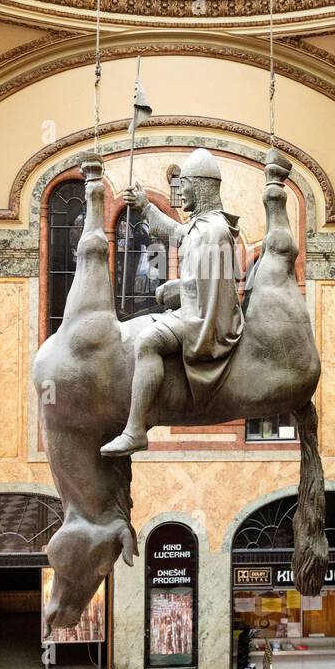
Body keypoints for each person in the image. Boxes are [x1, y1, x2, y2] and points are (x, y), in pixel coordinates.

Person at [101, 148, 244, 456]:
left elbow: (206, 288)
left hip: (208, 319)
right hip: (199, 307)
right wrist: (144, 207)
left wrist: (173, 290)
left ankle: (136, 430)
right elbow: (180, 234)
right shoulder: (205, 225)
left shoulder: (211, 230)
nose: (182, 194)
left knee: (148, 342)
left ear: (203, 186)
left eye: (186, 186)